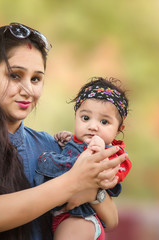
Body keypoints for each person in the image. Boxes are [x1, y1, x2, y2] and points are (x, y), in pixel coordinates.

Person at [0, 23, 126, 240]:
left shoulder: (49, 145)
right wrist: (74, 182)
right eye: (15, 75)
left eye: (36, 79)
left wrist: (94, 192)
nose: (28, 90)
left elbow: (111, 219)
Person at [34, 77, 132, 240]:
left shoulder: (111, 152)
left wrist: (101, 157)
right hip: (61, 216)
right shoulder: (73, 142)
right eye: (85, 118)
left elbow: (115, 174)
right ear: (76, 116)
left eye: (104, 122)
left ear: (118, 129)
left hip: (80, 219)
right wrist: (67, 140)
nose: (93, 126)